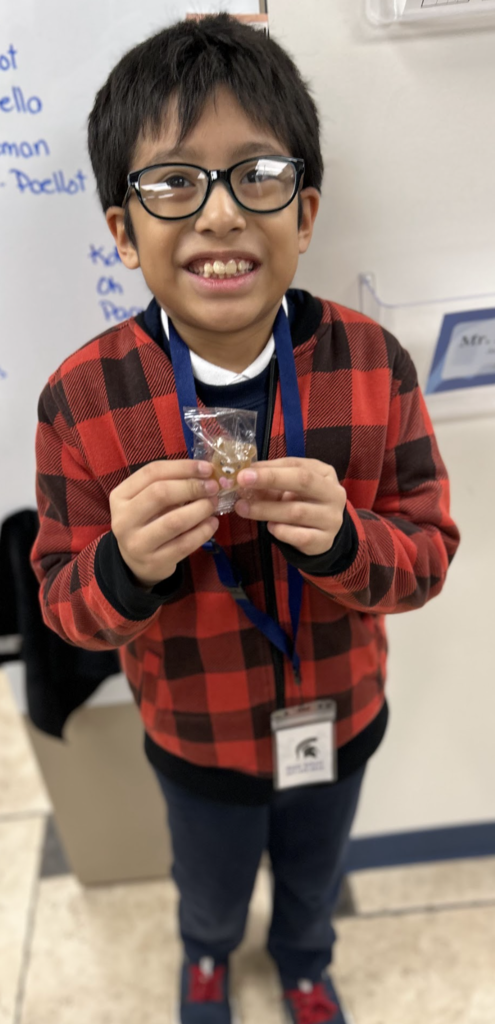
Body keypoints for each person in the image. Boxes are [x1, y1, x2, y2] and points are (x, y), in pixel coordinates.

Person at [31, 14, 460, 1024]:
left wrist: (353, 541)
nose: (219, 214)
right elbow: (62, 608)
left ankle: (306, 961)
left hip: (341, 718)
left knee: (315, 874)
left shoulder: (372, 364)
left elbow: (430, 555)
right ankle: (208, 957)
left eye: (256, 175)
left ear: (304, 212)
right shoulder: (80, 401)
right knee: (210, 883)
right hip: (198, 738)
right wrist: (123, 568)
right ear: (123, 230)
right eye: (173, 182)